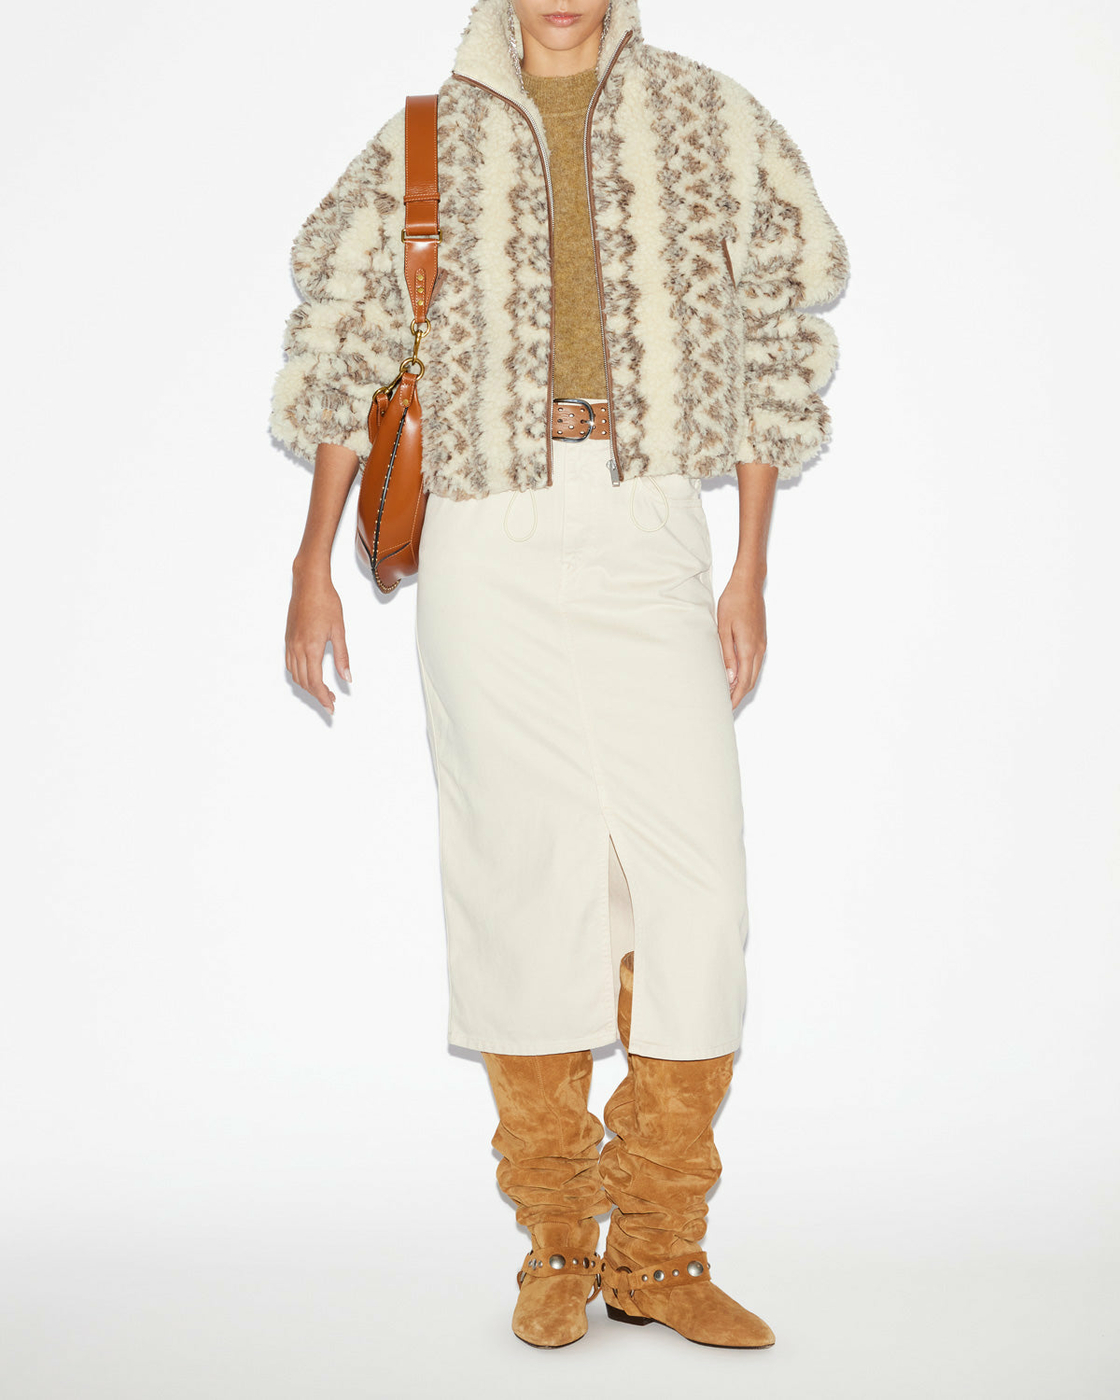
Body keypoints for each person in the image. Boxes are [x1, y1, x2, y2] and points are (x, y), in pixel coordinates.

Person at [271, 0, 848, 1352]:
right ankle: (558, 1243)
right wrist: (310, 564)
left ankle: (660, 1248)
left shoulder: (707, 116)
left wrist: (750, 566)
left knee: (697, 887)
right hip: (485, 531)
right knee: (520, 875)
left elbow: (775, 327)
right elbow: (344, 343)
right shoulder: (425, 140)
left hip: (649, 522)